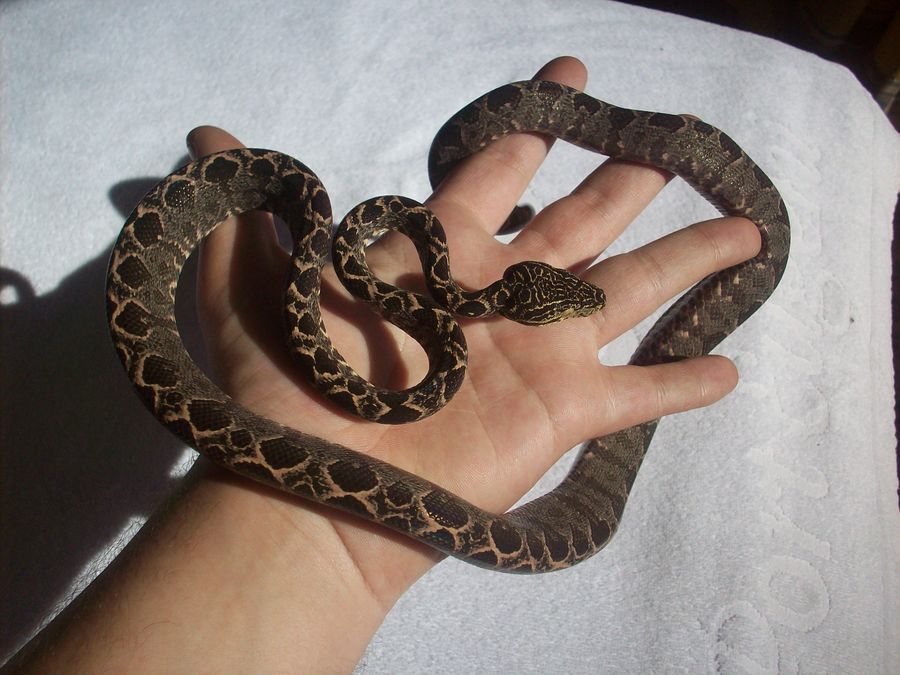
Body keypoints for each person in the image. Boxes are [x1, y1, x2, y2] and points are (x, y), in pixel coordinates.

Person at [7, 56, 760, 672]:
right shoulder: (409, 310)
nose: (574, 304)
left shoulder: (437, 320)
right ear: (516, 302)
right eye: (562, 301)